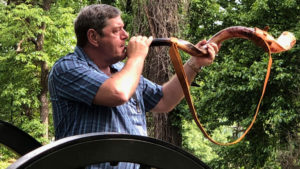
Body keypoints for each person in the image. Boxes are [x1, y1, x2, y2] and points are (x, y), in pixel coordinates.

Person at [48, 4, 219, 169]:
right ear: (93, 37)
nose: (126, 35)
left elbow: (165, 100)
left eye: (123, 28)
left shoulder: (123, 70)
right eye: (116, 30)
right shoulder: (67, 68)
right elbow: (118, 93)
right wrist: (137, 58)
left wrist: (194, 64)